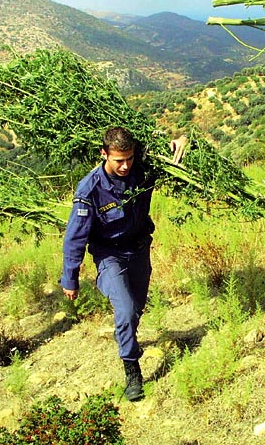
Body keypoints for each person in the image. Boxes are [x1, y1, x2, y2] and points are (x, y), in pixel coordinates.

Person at [60, 127, 187, 401]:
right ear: (104, 154)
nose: (125, 166)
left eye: (129, 158)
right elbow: (75, 237)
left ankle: (125, 334)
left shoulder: (142, 169)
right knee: (126, 309)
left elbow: (181, 149)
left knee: (136, 308)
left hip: (139, 250)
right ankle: (132, 370)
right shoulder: (90, 189)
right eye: (119, 160)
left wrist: (182, 141)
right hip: (109, 255)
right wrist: (70, 278)